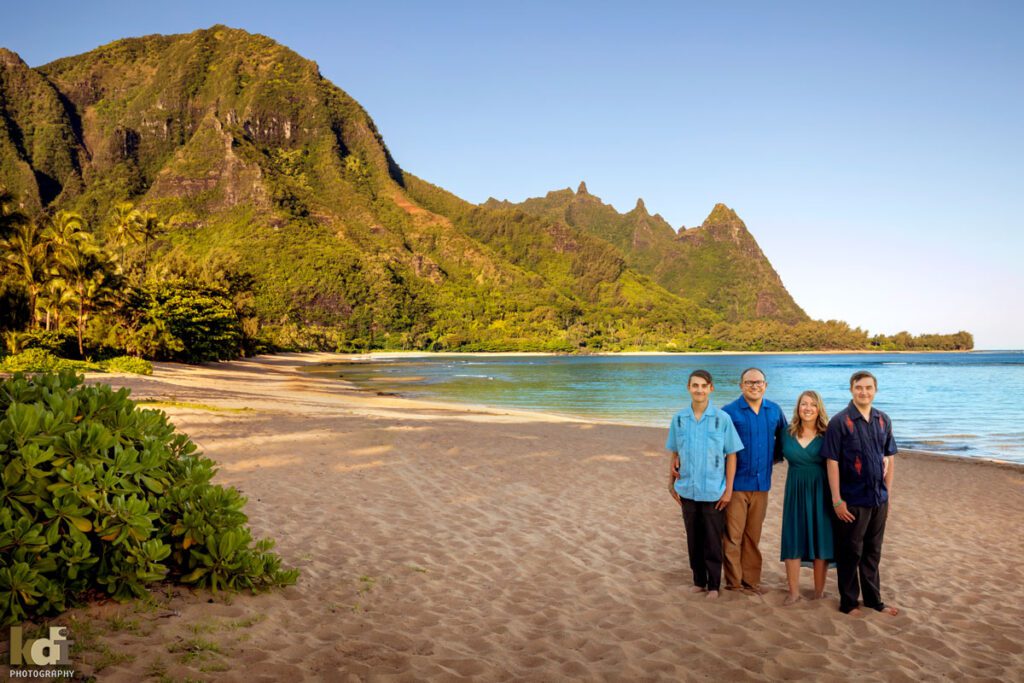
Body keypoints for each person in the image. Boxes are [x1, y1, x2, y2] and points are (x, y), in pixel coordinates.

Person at [822, 370, 899, 616]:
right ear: (851, 390)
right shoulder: (839, 422)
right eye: (859, 388)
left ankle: (874, 601)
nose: (864, 392)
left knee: (873, 552)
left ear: (875, 390)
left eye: (868, 388)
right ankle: (849, 603)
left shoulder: (883, 419)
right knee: (850, 553)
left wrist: (887, 493)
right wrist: (837, 500)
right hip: (851, 499)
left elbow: (889, 457)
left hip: (878, 499)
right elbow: (832, 462)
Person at [666, 369, 743, 600]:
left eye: (703, 386)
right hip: (687, 489)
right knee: (693, 538)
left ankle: (713, 585)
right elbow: (675, 452)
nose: (699, 390)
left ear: (711, 388)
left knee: (712, 539)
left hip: (713, 491)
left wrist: (728, 490)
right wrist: (670, 483)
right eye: (695, 385)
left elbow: (732, 455)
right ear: (688, 388)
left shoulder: (722, 419)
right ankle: (698, 581)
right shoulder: (679, 419)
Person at [721, 368, 788, 592]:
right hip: (736, 485)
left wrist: (773, 459)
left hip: (762, 485)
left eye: (758, 382)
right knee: (733, 536)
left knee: (753, 536)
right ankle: (734, 583)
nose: (754, 386)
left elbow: (784, 439)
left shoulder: (774, 410)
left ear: (765, 385)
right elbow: (716, 446)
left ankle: (751, 581)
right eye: (749, 382)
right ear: (741, 385)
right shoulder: (729, 411)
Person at [779, 390, 834, 605]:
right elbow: (770, 455)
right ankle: (793, 593)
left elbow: (843, 461)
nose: (808, 408)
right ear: (798, 407)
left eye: (812, 404)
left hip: (821, 491)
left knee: (821, 538)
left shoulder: (828, 433)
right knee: (793, 536)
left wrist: (884, 460)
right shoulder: (786, 433)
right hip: (795, 490)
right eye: (804, 404)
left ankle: (819, 592)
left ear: (819, 408)